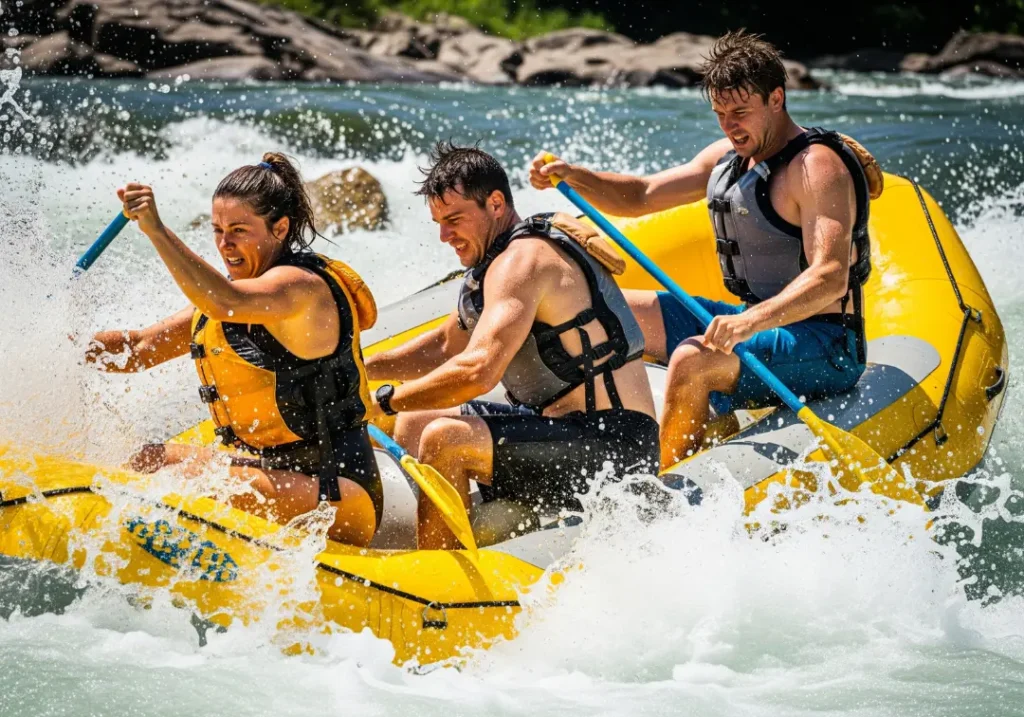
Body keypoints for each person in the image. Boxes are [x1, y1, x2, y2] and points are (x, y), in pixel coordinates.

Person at [529, 30, 884, 470]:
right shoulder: (728, 157)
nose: (730, 126)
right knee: (606, 311)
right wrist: (575, 175)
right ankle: (573, 436)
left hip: (826, 343)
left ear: (777, 98)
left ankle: (661, 490)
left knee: (693, 360)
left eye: (740, 112)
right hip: (755, 325)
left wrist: (747, 322)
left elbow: (831, 274)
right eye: (720, 113)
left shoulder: (816, 167)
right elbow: (641, 195)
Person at [365, 142, 659, 549]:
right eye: (438, 222)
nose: (444, 235)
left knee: (444, 438)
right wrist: (363, 368)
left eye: (453, 219)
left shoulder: (525, 262)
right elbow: (446, 346)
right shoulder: (496, 262)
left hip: (617, 448)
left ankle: (440, 583)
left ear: (496, 203)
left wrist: (383, 401)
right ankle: (458, 533)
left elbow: (477, 372)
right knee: (414, 422)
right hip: (560, 429)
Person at [86, 153, 382, 546]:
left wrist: (156, 231)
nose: (225, 245)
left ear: (280, 228)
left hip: (339, 494)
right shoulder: (229, 298)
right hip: (268, 471)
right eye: (218, 230)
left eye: (239, 230)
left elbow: (224, 299)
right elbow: (139, 348)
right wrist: (60, 344)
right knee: (145, 460)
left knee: (175, 482)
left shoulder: (300, 288)